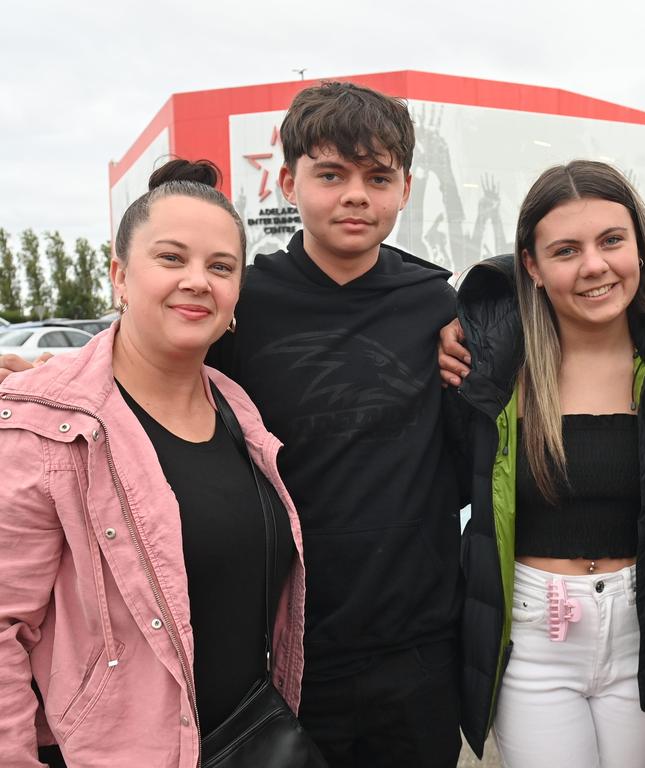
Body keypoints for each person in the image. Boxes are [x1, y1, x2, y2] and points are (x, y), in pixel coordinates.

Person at [0, 159, 307, 768]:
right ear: (119, 275)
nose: (198, 280)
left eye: (220, 267)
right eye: (171, 258)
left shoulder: (236, 407)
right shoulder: (45, 424)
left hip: (248, 736)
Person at [202, 82, 463, 767]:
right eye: (331, 175)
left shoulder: (432, 300)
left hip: (417, 645)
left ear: (406, 187)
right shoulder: (245, 304)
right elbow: (146, 366)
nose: (356, 195)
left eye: (379, 177)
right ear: (289, 181)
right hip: (286, 649)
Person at [453, 160, 645, 767]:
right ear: (531, 264)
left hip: (642, 630)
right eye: (565, 250)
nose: (594, 267)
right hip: (535, 638)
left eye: (611, 240)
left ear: (639, 242)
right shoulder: (494, 369)